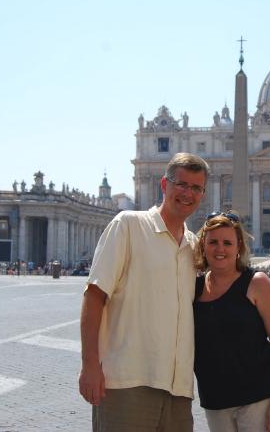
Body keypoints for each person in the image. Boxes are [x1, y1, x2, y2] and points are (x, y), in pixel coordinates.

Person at [79, 152, 210, 431]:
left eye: (196, 188)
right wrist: (90, 365)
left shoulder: (194, 246)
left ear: (203, 194)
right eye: (181, 184)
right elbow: (94, 296)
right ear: (164, 184)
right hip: (127, 383)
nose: (188, 193)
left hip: (178, 390)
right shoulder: (128, 225)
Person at [193, 211, 270, 432]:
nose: (220, 249)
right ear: (203, 245)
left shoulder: (258, 284)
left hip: (257, 400)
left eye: (227, 243)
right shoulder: (194, 287)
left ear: (239, 247)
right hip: (215, 402)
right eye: (213, 242)